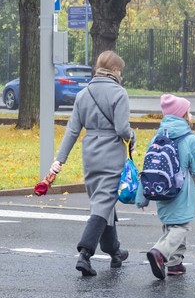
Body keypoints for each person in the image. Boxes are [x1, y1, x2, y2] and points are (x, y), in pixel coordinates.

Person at [49, 50, 136, 277]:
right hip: (111, 154)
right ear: (115, 70)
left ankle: (114, 251)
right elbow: (122, 129)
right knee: (103, 203)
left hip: (90, 153)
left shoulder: (83, 94)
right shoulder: (119, 93)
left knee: (102, 200)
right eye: (120, 71)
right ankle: (85, 253)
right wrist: (133, 136)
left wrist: (59, 160)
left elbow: (72, 131)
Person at [136, 94, 195, 279]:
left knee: (170, 225)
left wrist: (142, 198)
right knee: (181, 226)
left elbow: (147, 169)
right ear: (183, 116)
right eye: (188, 111)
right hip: (181, 192)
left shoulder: (156, 138)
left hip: (160, 189)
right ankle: (160, 252)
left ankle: (174, 263)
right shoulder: (189, 139)